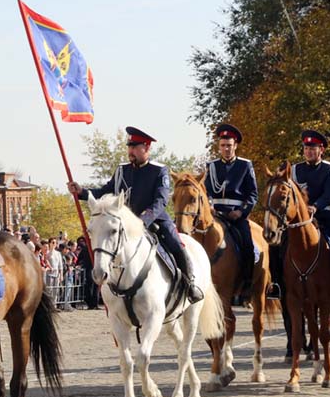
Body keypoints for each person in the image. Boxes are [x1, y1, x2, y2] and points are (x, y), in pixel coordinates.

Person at [68, 126, 204, 303]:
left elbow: (160, 201)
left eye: (135, 146)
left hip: (154, 220)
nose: (130, 150)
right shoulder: (122, 170)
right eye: (129, 146)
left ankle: (190, 284)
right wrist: (82, 192)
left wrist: (142, 221)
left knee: (176, 244)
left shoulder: (159, 170)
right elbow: (105, 191)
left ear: (146, 148)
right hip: (123, 222)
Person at [291, 129, 330, 298]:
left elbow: (329, 193)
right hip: (299, 217)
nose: (309, 152)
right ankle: (276, 283)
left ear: (321, 150)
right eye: (306, 148)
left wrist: (316, 206)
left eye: (313, 148)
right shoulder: (295, 169)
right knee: (277, 243)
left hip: (323, 213)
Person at [204, 124, 259, 294]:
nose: (226, 149)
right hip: (216, 215)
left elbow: (253, 194)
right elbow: (205, 192)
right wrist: (209, 206)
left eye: (229, 145)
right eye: (223, 145)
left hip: (236, 215)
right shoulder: (211, 166)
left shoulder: (245, 165)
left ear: (235, 146)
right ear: (219, 147)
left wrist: (241, 212)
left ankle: (247, 282)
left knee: (248, 245)